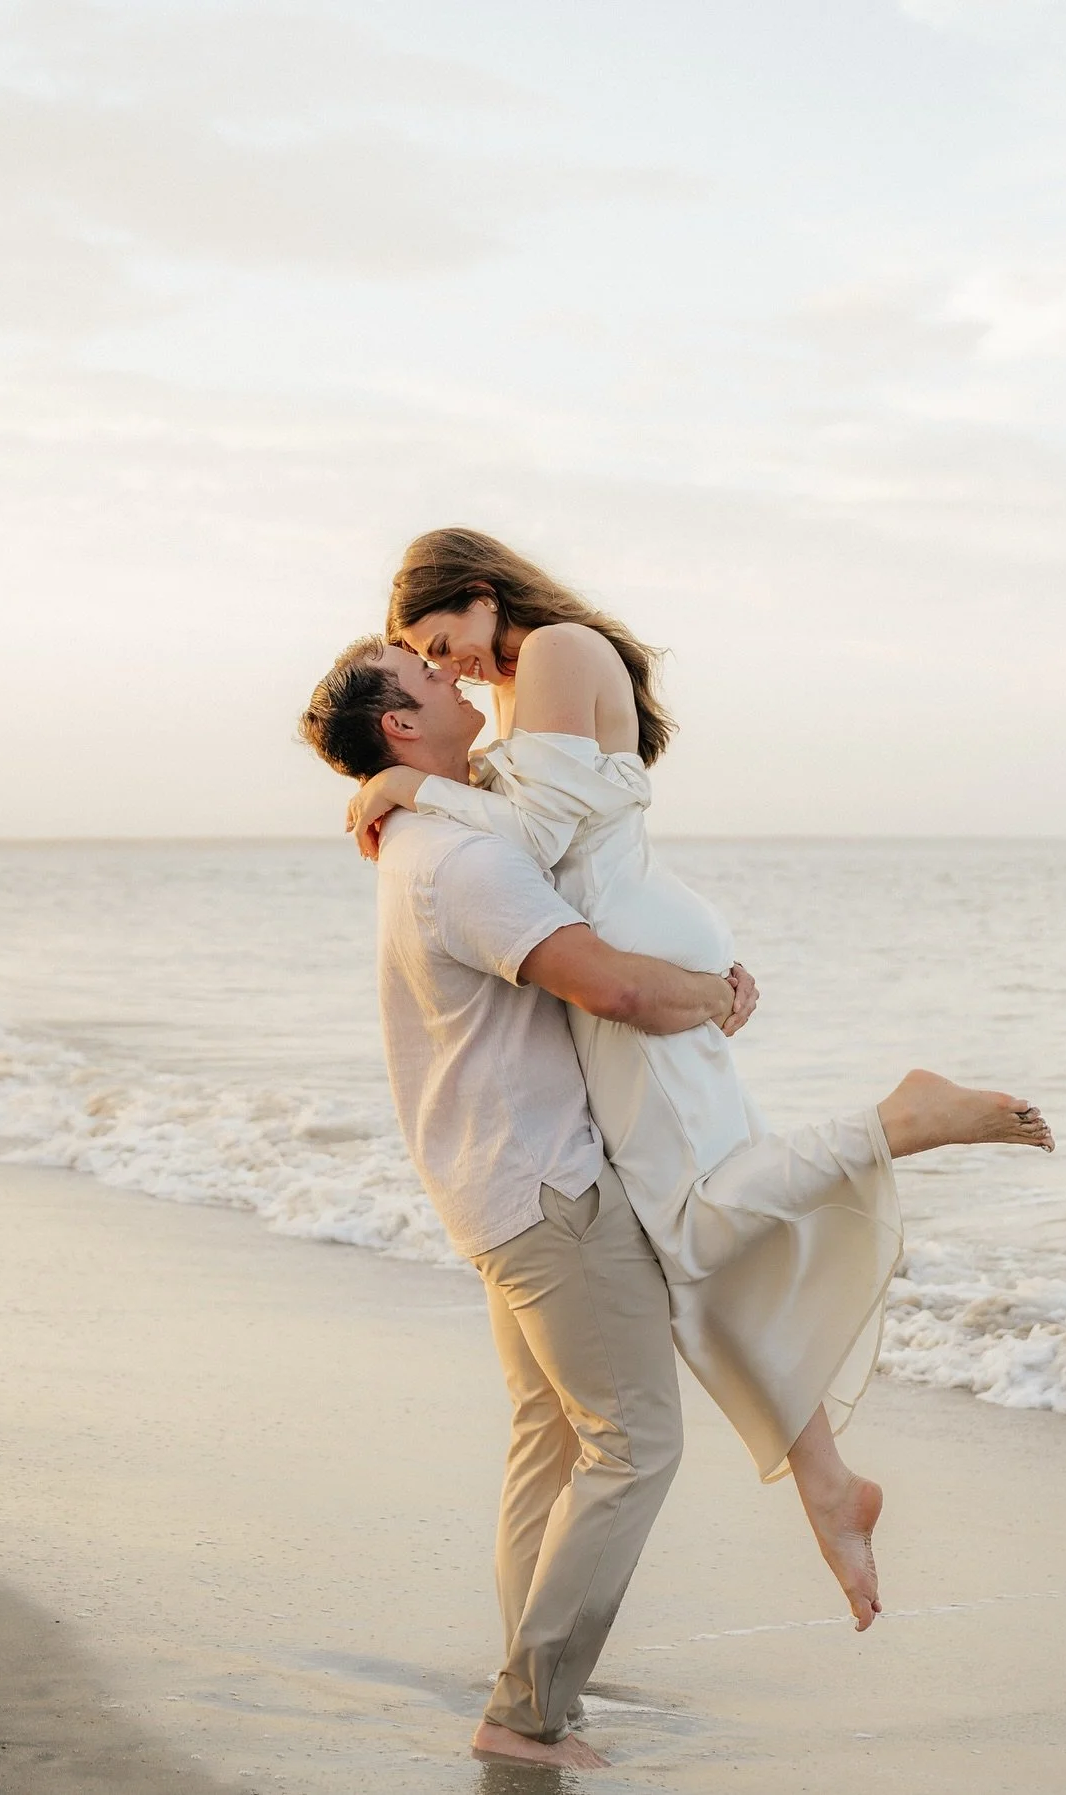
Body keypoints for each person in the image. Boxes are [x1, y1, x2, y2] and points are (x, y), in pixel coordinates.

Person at [345, 527, 1055, 1634]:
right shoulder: (535, 676)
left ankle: (900, 1119)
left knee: (689, 1228)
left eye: (439, 639)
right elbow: (527, 823)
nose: (449, 666)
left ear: (481, 598)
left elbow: (530, 836)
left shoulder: (563, 650)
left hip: (627, 947)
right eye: (423, 661)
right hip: (620, 945)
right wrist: (419, 788)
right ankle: (827, 1482)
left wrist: (405, 784)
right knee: (683, 1241)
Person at [300, 635, 759, 1769]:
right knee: (637, 1442)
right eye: (424, 679)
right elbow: (604, 979)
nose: (455, 680)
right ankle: (526, 1714)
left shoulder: (421, 835)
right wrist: (720, 991)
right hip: (550, 1190)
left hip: (495, 1185)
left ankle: (534, 1679)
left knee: (550, 1445)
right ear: (399, 726)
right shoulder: (463, 863)